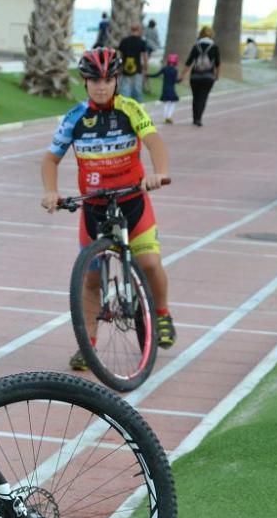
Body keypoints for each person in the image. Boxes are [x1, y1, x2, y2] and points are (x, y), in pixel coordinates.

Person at [39, 48, 176, 371]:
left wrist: (159, 172)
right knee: (90, 279)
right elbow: (50, 159)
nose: (101, 86)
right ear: (84, 82)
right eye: (94, 81)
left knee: (150, 263)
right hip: (94, 208)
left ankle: (162, 313)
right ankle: (88, 344)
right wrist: (51, 192)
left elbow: (154, 141)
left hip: (133, 202)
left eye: (107, 80)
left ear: (116, 80)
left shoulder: (130, 109)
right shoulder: (74, 117)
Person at [180, 25, 220, 127]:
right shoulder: (214, 47)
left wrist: (182, 75)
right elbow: (218, 63)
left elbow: (189, 62)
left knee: (195, 97)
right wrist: (217, 75)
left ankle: (194, 117)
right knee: (203, 97)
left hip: (195, 76)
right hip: (208, 76)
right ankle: (199, 118)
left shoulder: (196, 46)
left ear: (200, 34)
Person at [117, 24, 148, 103]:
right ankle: (138, 107)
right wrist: (145, 69)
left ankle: (124, 105)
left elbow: (120, 56)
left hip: (125, 68)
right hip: (137, 69)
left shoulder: (124, 41)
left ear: (131, 30)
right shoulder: (142, 42)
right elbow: (144, 57)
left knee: (125, 89)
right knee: (137, 90)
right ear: (139, 30)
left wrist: (120, 67)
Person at [147, 53, 180, 124]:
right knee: (173, 102)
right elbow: (175, 81)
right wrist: (180, 80)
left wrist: (148, 75)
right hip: (171, 89)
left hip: (165, 88)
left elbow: (156, 75)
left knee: (166, 103)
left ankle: (165, 118)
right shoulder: (175, 70)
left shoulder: (165, 69)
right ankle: (169, 117)